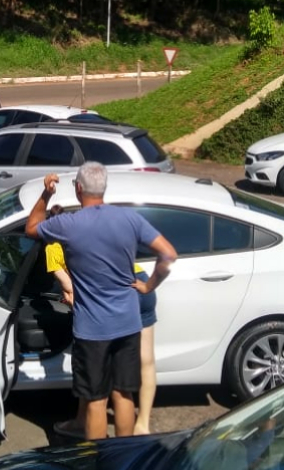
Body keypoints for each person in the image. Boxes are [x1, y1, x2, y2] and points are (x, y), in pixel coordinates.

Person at [26, 163, 177, 441]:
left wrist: (46, 194)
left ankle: (99, 458)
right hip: (128, 324)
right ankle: (123, 456)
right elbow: (168, 255)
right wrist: (148, 285)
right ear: (104, 187)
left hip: (92, 330)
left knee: (96, 400)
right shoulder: (130, 219)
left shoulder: (68, 224)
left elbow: (32, 227)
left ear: (78, 188)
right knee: (123, 394)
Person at [44, 209, 159, 437]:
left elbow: (68, 284)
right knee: (146, 361)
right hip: (139, 280)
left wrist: (75, 301)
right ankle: (142, 425)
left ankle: (84, 425)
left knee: (93, 366)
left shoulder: (52, 245)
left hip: (111, 295)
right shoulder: (91, 232)